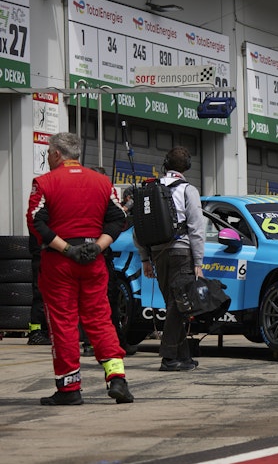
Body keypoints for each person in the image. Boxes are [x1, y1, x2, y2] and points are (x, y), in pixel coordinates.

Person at [25, 132, 133, 405]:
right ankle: (117, 378)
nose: (48, 158)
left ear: (56, 154)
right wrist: (97, 247)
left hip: (59, 262)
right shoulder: (102, 182)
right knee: (100, 319)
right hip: (93, 260)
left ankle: (69, 389)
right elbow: (118, 218)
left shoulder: (44, 182)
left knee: (63, 323)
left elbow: (36, 221)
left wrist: (67, 249)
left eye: (48, 153)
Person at [139, 147, 206, 372]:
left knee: (173, 305)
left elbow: (139, 229)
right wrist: (198, 262)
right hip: (181, 253)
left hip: (158, 255)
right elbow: (197, 228)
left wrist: (145, 259)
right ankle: (168, 358)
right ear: (187, 167)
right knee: (178, 306)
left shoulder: (149, 189)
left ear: (165, 164)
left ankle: (183, 357)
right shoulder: (188, 190)